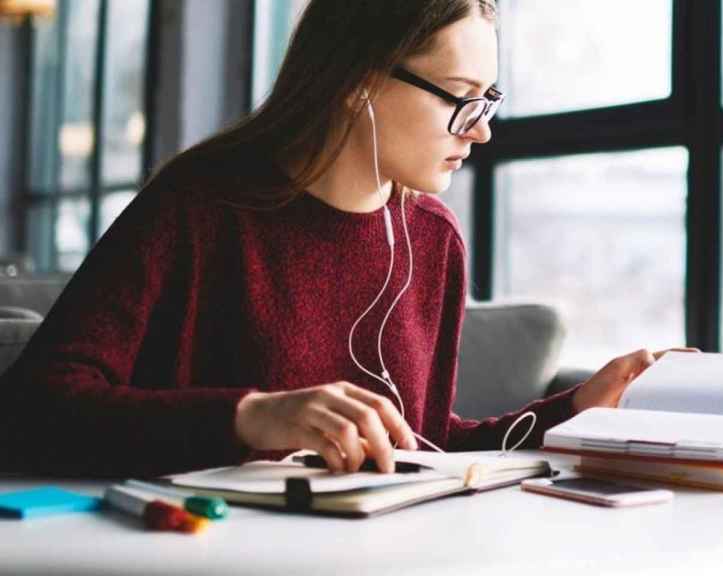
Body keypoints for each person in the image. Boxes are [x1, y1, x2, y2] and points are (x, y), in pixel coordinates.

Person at [1, 0, 688, 478]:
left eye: (489, 99)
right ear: (359, 79)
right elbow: (36, 407)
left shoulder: (431, 239)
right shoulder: (200, 204)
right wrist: (250, 418)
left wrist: (573, 409)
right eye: (459, 95)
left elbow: (424, 445)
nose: (480, 129)